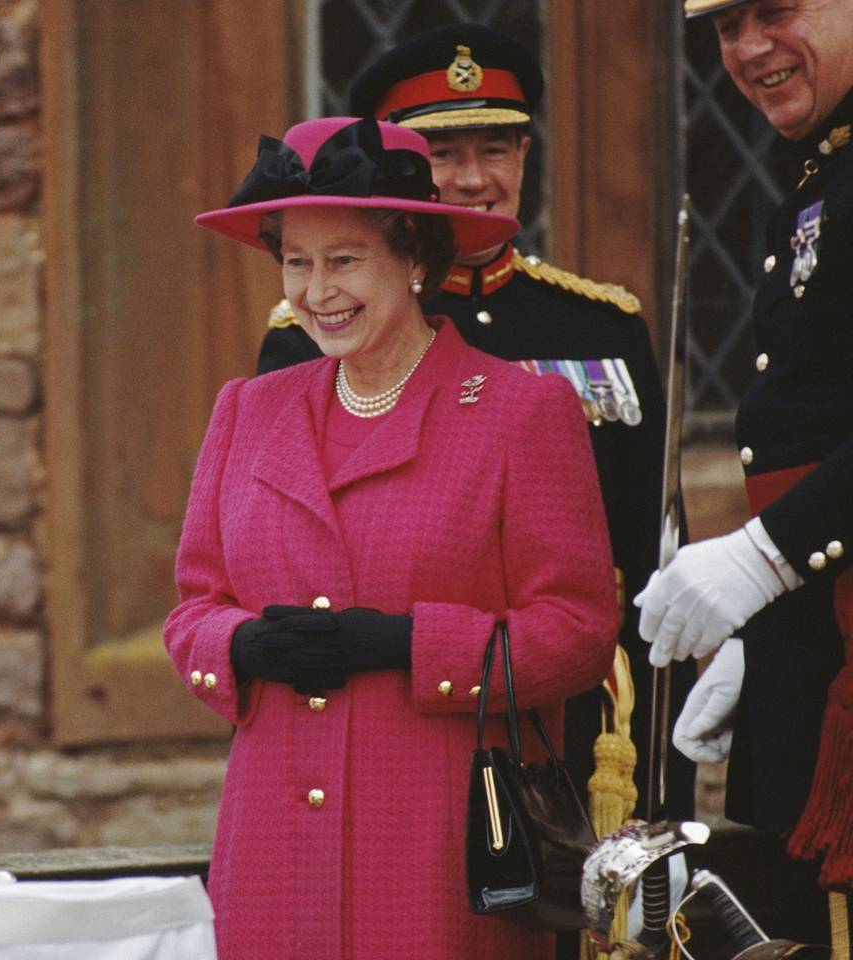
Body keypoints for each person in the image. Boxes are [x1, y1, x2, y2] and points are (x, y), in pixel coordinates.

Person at [166, 115, 619, 958]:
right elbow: (194, 608)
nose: (315, 291)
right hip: (273, 847)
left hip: (438, 841)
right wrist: (244, 644)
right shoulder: (248, 409)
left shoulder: (521, 412)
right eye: (296, 262)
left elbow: (580, 632)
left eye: (344, 260)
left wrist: (411, 643)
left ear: (416, 261)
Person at [258, 24, 698, 826]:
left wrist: (672, 703)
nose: (472, 179)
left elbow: (651, 542)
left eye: (496, 148)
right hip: (412, 702)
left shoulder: (601, 326)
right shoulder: (316, 330)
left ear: (526, 159)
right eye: (443, 154)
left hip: (594, 712)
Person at [638, 0, 853, 943]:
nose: (750, 47)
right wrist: (777, 622)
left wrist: (769, 556)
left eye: (777, 9)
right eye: (725, 25)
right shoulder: (820, 175)